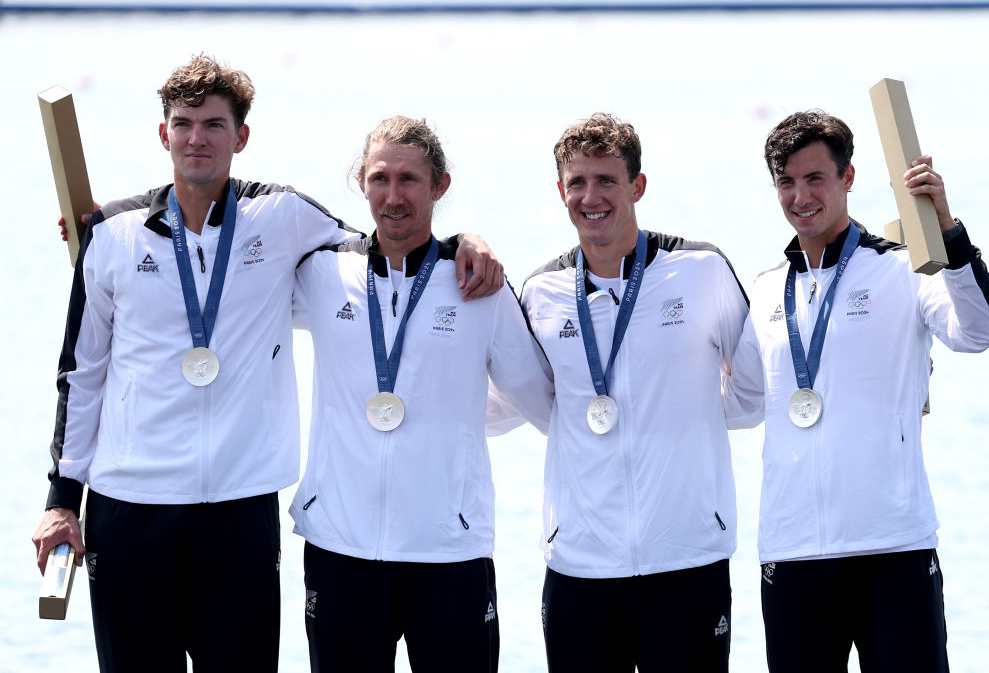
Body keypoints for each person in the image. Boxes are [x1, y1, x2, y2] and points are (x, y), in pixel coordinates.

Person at [30, 55, 502, 673]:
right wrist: (63, 498)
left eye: (214, 125)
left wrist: (466, 242)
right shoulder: (114, 235)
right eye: (183, 123)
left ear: (241, 137)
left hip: (240, 511)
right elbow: (81, 374)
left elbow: (385, 249)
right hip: (130, 510)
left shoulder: (282, 217)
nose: (197, 138)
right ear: (163, 134)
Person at [731, 110, 989, 672]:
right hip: (792, 553)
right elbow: (737, 404)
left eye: (815, 178)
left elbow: (980, 331)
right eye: (786, 181)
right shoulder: (762, 292)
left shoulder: (905, 269)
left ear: (847, 177)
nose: (800, 195)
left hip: (894, 548)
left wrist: (948, 231)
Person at [288, 115, 553, 672]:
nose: (394, 195)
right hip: (342, 548)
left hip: (449, 552)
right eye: (380, 178)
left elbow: (544, 404)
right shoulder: (320, 274)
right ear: (360, 182)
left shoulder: (478, 285)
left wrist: (454, 415)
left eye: (410, 179)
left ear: (440, 186)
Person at [517, 113, 761, 672]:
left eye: (606, 180)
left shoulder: (701, 270)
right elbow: (522, 401)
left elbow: (752, 393)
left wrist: (685, 412)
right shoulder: (542, 291)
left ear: (638, 186)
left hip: (687, 556)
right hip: (580, 563)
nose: (591, 196)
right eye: (576, 183)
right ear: (560, 191)